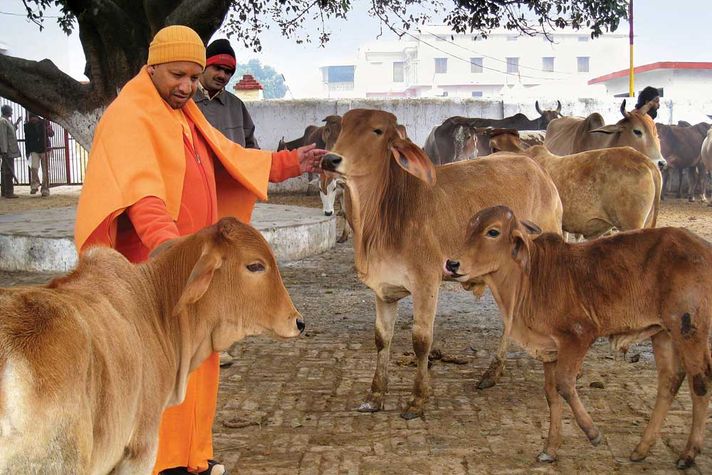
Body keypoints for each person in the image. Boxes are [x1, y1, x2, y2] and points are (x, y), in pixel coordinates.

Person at [74, 25, 325, 475]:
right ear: (150, 68)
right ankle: (160, 463)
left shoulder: (184, 111)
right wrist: (172, 251)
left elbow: (228, 155)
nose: (187, 87)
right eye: (177, 76)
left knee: (199, 363)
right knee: (160, 369)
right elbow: (142, 194)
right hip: (158, 274)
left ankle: (193, 457)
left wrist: (287, 164)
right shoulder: (130, 115)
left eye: (194, 76)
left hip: (196, 268)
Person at [194, 39, 259, 148]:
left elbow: (252, 148)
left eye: (228, 71)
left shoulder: (237, 106)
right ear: (203, 66)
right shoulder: (184, 100)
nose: (222, 75)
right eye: (217, 68)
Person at [23, 112, 54, 196]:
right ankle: (35, 185)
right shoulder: (27, 126)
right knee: (34, 167)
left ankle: (45, 189)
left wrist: (48, 129)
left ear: (37, 117)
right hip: (34, 149)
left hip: (45, 149)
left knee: (45, 171)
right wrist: (27, 152)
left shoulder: (45, 122)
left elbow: (52, 134)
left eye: (33, 118)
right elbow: (27, 140)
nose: (32, 120)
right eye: (30, 118)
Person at [0, 105, 21, 198]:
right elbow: (3, 136)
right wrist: (3, 151)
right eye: (11, 111)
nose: (12, 112)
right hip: (7, 151)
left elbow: (11, 132)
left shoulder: (7, 121)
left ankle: (5, 191)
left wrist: (17, 123)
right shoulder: (3, 121)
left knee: (6, 170)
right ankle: (8, 192)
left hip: (10, 150)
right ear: (7, 111)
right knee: (8, 171)